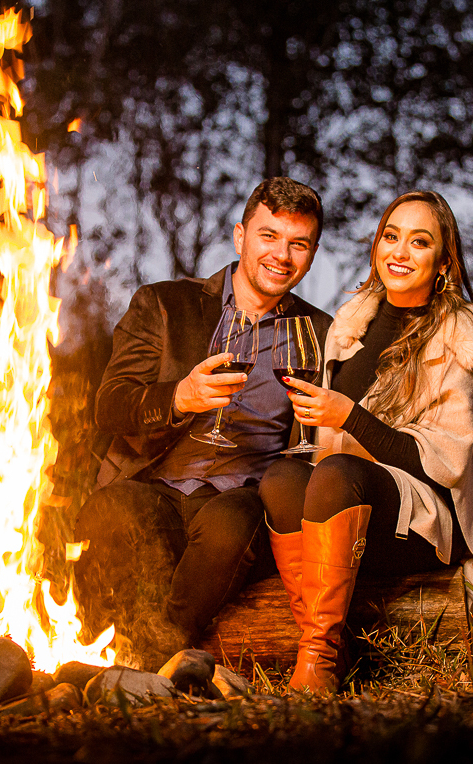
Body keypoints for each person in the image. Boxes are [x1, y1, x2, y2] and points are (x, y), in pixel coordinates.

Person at [74, 177, 333, 669]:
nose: (282, 255)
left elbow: (320, 440)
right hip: (161, 483)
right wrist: (179, 397)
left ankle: (150, 662)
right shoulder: (165, 305)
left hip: (245, 495)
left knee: (229, 522)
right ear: (240, 237)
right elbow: (110, 405)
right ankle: (87, 645)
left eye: (298, 244)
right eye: (269, 236)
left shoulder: (319, 335)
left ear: (313, 253)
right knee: (112, 508)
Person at [259, 190, 473, 694]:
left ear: (443, 262)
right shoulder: (351, 326)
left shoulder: (456, 334)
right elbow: (323, 441)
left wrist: (350, 416)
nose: (399, 252)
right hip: (347, 504)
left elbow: (447, 463)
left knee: (335, 473)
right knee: (282, 477)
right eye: (391, 237)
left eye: (419, 242)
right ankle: (327, 643)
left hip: (429, 519)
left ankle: (316, 664)